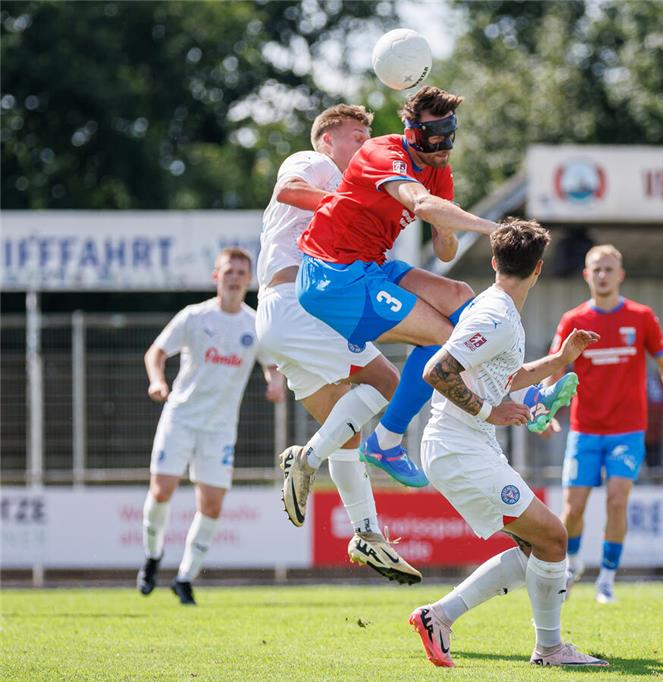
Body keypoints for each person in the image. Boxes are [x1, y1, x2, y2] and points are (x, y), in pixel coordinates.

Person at [283, 86, 549, 519]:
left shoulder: (439, 169)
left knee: (461, 297)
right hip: (333, 276)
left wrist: (447, 230)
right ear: (411, 132)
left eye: (449, 134)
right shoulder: (381, 152)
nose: (443, 145)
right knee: (444, 340)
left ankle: (519, 388)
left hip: (372, 265)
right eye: (434, 135)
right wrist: (494, 229)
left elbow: (445, 249)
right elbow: (420, 203)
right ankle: (386, 441)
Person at [409, 219, 608, 668]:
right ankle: (550, 649)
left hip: (467, 447)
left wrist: (560, 359)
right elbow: (436, 371)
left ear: (495, 262)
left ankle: (439, 616)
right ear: (538, 269)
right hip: (458, 448)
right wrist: (489, 411)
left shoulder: (497, 310)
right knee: (554, 538)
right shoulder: (495, 316)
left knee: (536, 546)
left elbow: (504, 376)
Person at [255, 103, 419, 583]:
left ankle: (368, 534)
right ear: (327, 138)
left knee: (345, 432)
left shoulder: (346, 189)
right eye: (355, 136)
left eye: (368, 137)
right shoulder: (314, 162)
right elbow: (288, 189)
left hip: (283, 316)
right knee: (391, 384)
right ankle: (305, 459)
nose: (363, 145)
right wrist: (352, 202)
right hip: (296, 305)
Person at [540, 244, 663, 604]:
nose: (603, 275)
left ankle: (607, 579)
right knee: (573, 508)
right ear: (586, 275)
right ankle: (572, 564)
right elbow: (554, 369)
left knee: (617, 500)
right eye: (597, 269)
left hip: (628, 430)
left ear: (621, 275)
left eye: (609, 269)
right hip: (585, 430)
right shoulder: (573, 320)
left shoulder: (641, 317)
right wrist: (543, 410)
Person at [136, 247, 285, 605]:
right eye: (228, 271)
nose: (235, 278)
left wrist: (275, 383)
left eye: (241, 273)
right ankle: (153, 557)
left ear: (249, 280)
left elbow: (272, 364)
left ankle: (184, 578)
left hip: (220, 428)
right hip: (181, 417)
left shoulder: (255, 324)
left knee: (213, 505)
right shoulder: (194, 316)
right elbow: (156, 352)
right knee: (162, 491)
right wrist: (157, 381)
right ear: (216, 276)